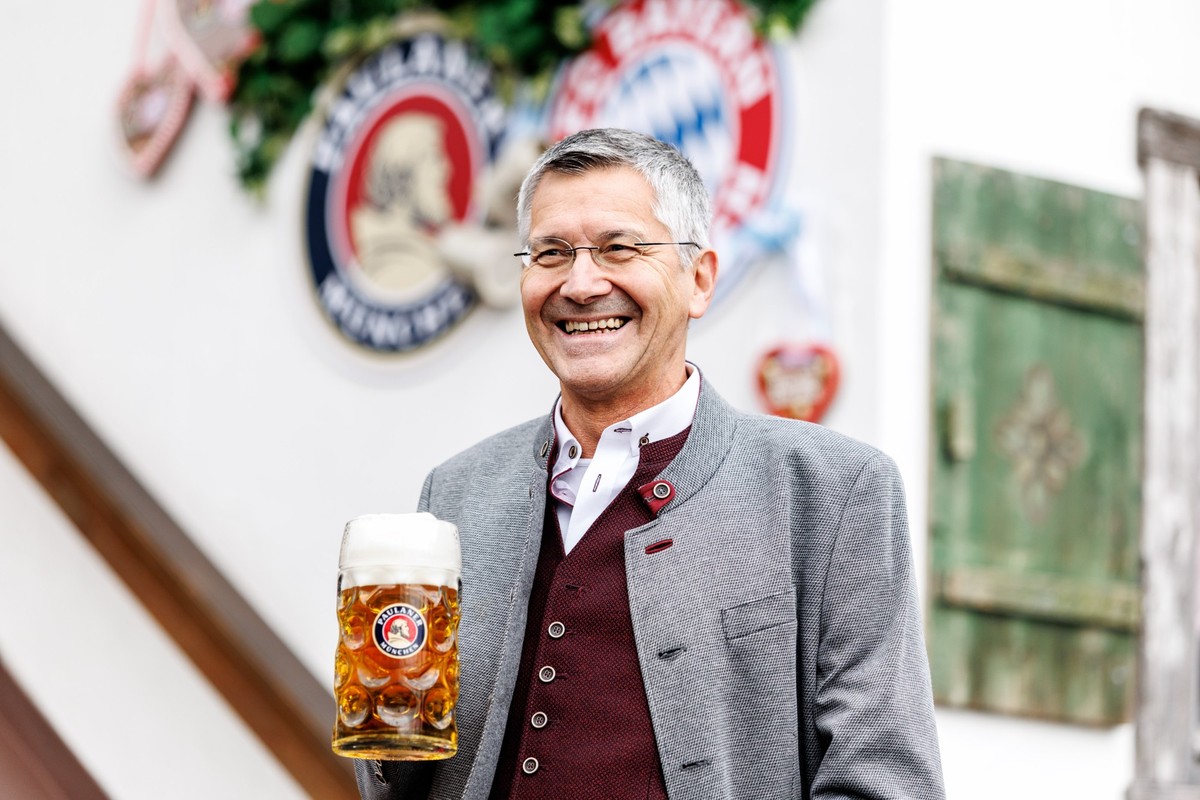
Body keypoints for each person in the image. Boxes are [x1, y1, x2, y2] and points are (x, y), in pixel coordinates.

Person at [355, 128, 945, 800]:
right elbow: (395, 779)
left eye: (618, 248)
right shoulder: (456, 494)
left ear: (699, 280)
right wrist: (383, 720)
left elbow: (882, 783)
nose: (579, 284)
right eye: (551, 253)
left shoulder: (834, 493)